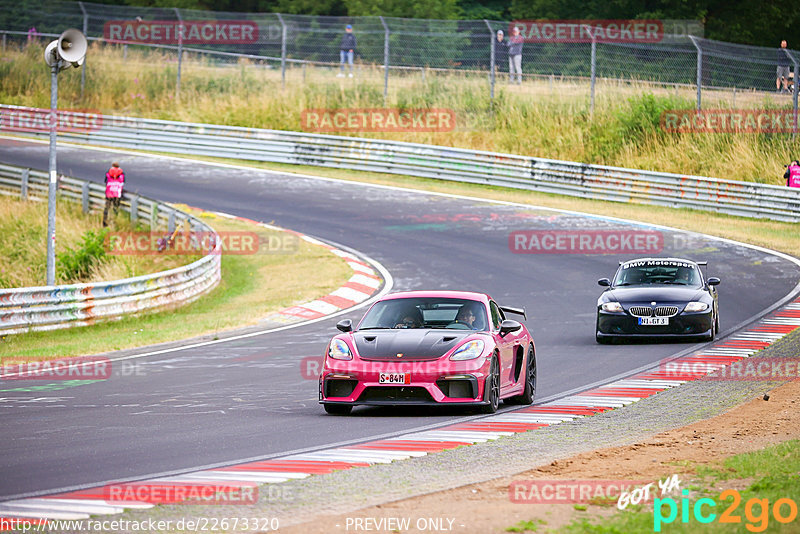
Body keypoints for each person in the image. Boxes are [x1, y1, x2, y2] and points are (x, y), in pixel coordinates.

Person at [103, 162, 125, 227]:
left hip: (109, 192)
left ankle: (104, 223)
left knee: (107, 207)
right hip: (117, 193)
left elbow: (105, 181)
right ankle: (115, 222)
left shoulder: (108, 172)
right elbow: (123, 182)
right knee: (115, 208)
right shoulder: (121, 173)